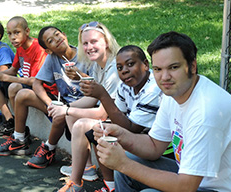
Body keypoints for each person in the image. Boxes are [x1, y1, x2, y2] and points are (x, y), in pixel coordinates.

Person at [93, 31, 231, 192]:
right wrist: (121, 135)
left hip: (218, 188)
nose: (164, 77)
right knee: (128, 163)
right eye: (158, 69)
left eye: (173, 67)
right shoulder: (173, 95)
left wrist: (123, 164)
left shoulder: (207, 112)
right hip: (191, 176)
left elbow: (186, 187)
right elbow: (154, 146)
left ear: (192, 66)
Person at [56, 45, 162, 192]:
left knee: (108, 137)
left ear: (145, 64)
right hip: (135, 132)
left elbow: (132, 129)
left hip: (153, 144)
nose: (124, 70)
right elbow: (117, 114)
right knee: (98, 132)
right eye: (120, 67)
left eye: (130, 64)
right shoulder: (126, 86)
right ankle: (108, 185)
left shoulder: (153, 90)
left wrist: (102, 95)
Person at [0, 26, 90, 158]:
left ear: (64, 35)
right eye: (51, 40)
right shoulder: (52, 58)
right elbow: (36, 83)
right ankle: (19, 139)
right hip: (63, 102)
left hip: (84, 104)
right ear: (48, 50)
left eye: (57, 34)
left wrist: (80, 75)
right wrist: (51, 104)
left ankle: (50, 148)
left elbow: (97, 87)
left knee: (61, 114)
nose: (57, 39)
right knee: (22, 94)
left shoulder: (84, 55)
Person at [46, 21, 121, 192]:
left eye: (94, 42)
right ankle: (87, 169)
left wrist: (66, 109)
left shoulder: (114, 69)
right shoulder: (96, 65)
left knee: (80, 124)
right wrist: (65, 107)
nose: (89, 47)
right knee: (71, 115)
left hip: (125, 120)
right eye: (85, 43)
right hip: (112, 116)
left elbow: (103, 112)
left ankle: (76, 183)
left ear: (106, 42)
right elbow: (91, 98)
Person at [0, 16, 48, 137]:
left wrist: (4, 77)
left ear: (27, 31)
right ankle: (10, 121)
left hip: (39, 88)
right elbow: (13, 70)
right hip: (26, 83)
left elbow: (35, 81)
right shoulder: (20, 47)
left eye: (17, 32)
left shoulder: (38, 48)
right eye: (9, 34)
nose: (13, 37)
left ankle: (20, 131)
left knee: (13, 87)